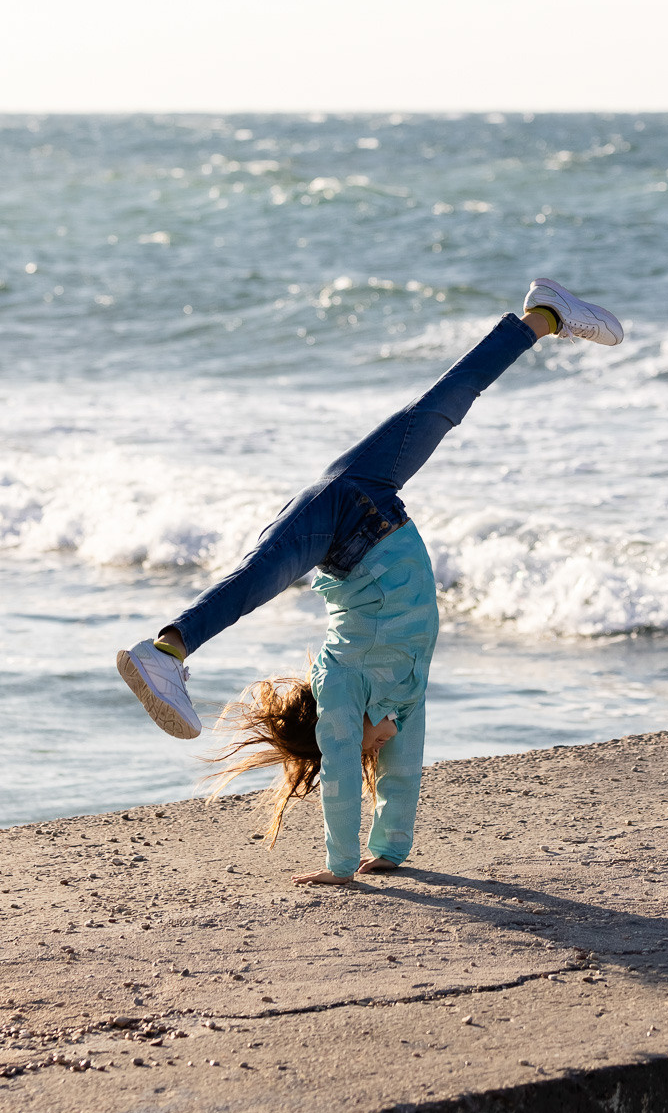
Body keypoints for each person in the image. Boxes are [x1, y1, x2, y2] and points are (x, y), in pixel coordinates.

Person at [117, 278, 622, 886]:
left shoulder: (339, 685)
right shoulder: (403, 699)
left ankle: (167, 649)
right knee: (444, 406)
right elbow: (403, 775)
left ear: (335, 731)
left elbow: (338, 779)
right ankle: (544, 315)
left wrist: (340, 868)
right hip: (374, 507)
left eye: (361, 750)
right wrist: (388, 851)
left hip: (342, 531)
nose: (374, 753)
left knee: (258, 579)